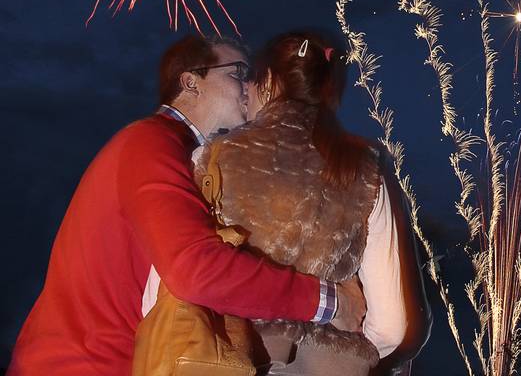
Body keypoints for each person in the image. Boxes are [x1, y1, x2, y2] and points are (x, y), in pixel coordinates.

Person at [8, 35, 366, 375]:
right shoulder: (149, 143)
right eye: (239, 72)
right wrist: (327, 302)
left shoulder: (178, 153)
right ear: (191, 83)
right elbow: (195, 270)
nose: (251, 86)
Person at [194, 31, 430, 375]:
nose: (246, 97)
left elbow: (171, 281)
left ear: (271, 82)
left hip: (228, 360)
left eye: (252, 83)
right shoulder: (363, 169)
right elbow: (392, 327)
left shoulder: (211, 158)